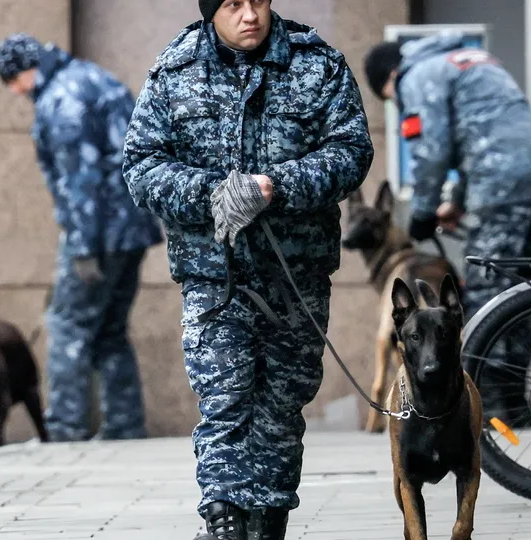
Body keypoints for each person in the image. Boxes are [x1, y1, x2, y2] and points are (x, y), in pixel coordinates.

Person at [123, 1, 373, 538]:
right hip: (216, 277)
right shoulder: (176, 68)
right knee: (226, 399)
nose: (250, 14)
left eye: (258, 0)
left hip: (296, 275)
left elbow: (352, 152)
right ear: (212, 10)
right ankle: (225, 520)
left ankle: (268, 520)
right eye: (233, 4)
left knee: (282, 403)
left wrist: (274, 185)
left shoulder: (317, 63)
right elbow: (141, 166)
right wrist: (212, 193)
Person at [0, 33, 164, 443]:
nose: (17, 93)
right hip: (132, 229)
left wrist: (83, 248)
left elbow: (80, 180)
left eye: (12, 84)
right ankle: (125, 426)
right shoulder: (92, 78)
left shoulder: (62, 98)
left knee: (68, 325)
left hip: (98, 234)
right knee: (110, 330)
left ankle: (65, 427)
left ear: (23, 72)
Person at [364, 31, 531, 428]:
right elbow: (488, 135)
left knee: (487, 300)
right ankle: (518, 408)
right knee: (519, 295)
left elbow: (431, 150)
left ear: (389, 79)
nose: (398, 103)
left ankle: (489, 415)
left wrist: (422, 213)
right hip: (519, 181)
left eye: (390, 99)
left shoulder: (417, 75)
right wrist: (456, 201)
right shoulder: (467, 60)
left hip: (500, 186)